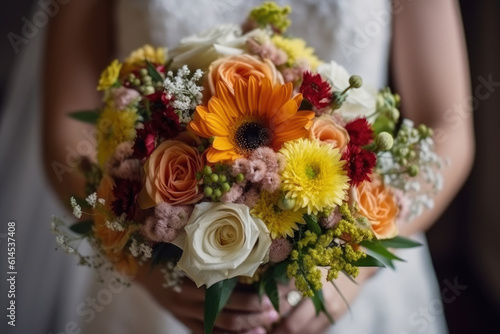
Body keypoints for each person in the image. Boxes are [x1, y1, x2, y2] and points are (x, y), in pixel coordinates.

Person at [0, 0, 473, 333]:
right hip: (157, 291)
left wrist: (355, 268)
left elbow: (448, 125)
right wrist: (145, 268)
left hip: (349, 281)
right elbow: (68, 130)